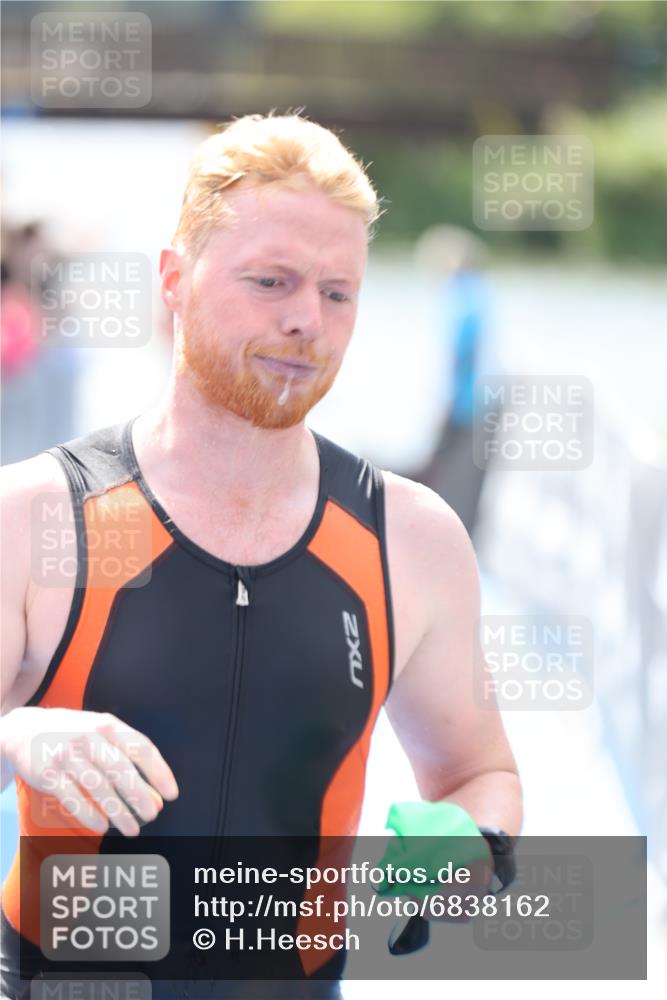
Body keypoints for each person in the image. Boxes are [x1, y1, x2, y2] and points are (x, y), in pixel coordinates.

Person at [0, 113, 522, 999]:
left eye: (336, 293)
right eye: (270, 281)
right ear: (173, 279)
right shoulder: (37, 516)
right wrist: (17, 734)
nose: (303, 322)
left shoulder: (413, 539)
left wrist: (470, 845)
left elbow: (482, 774)